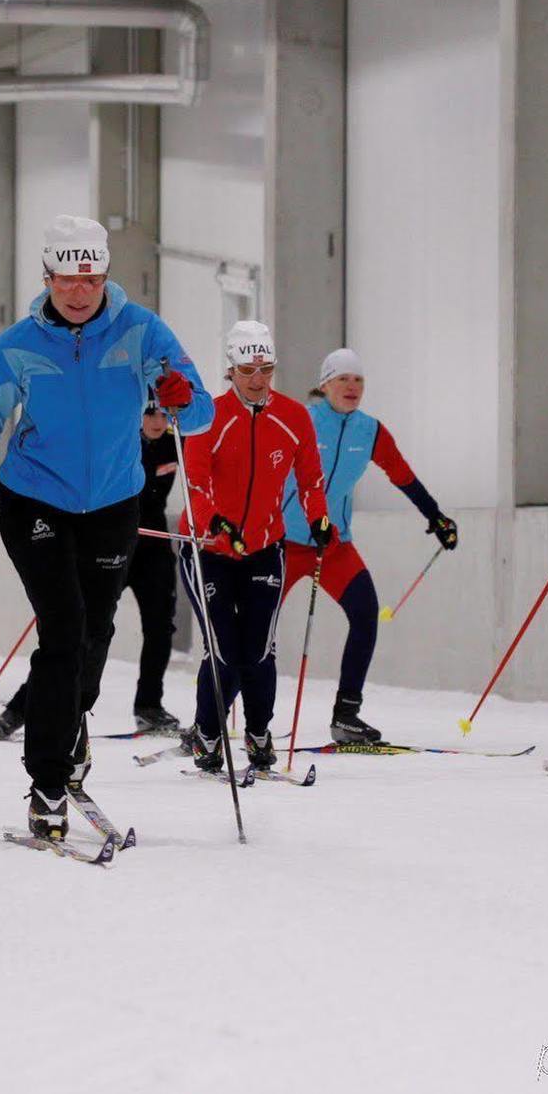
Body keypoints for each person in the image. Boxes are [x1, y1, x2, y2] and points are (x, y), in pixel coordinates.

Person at [0, 215, 212, 841]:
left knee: (95, 636)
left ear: (104, 276)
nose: (79, 291)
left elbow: (199, 412)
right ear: (47, 278)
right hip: (34, 501)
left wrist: (176, 395)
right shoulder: (15, 345)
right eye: (67, 279)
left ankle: (72, 724)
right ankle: (46, 780)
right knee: (63, 631)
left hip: (116, 504)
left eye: (91, 278)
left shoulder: (142, 330)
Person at [177, 321, 331, 776]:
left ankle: (259, 732)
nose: (258, 379)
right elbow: (195, 482)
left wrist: (319, 516)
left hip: (264, 548)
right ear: (231, 370)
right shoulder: (209, 415)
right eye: (248, 370)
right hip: (208, 548)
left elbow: (310, 479)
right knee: (223, 649)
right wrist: (215, 523)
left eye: (266, 368)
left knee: (258, 651)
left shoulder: (293, 415)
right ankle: (208, 733)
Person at [281, 349, 457, 744]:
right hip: (284, 543)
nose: (352, 387)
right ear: (324, 384)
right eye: (342, 379)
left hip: (334, 546)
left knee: (365, 614)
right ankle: (214, 717)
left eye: (358, 380)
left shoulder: (369, 431)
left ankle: (347, 716)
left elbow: (402, 475)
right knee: (255, 629)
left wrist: (436, 517)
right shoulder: (302, 420)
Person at [0, 403, 185, 739]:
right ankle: (21, 708)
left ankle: (149, 705)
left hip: (153, 548)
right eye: (151, 413)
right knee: (79, 627)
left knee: (161, 627)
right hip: (112, 542)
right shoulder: (122, 440)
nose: (157, 421)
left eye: (165, 416)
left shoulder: (173, 442)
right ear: (138, 413)